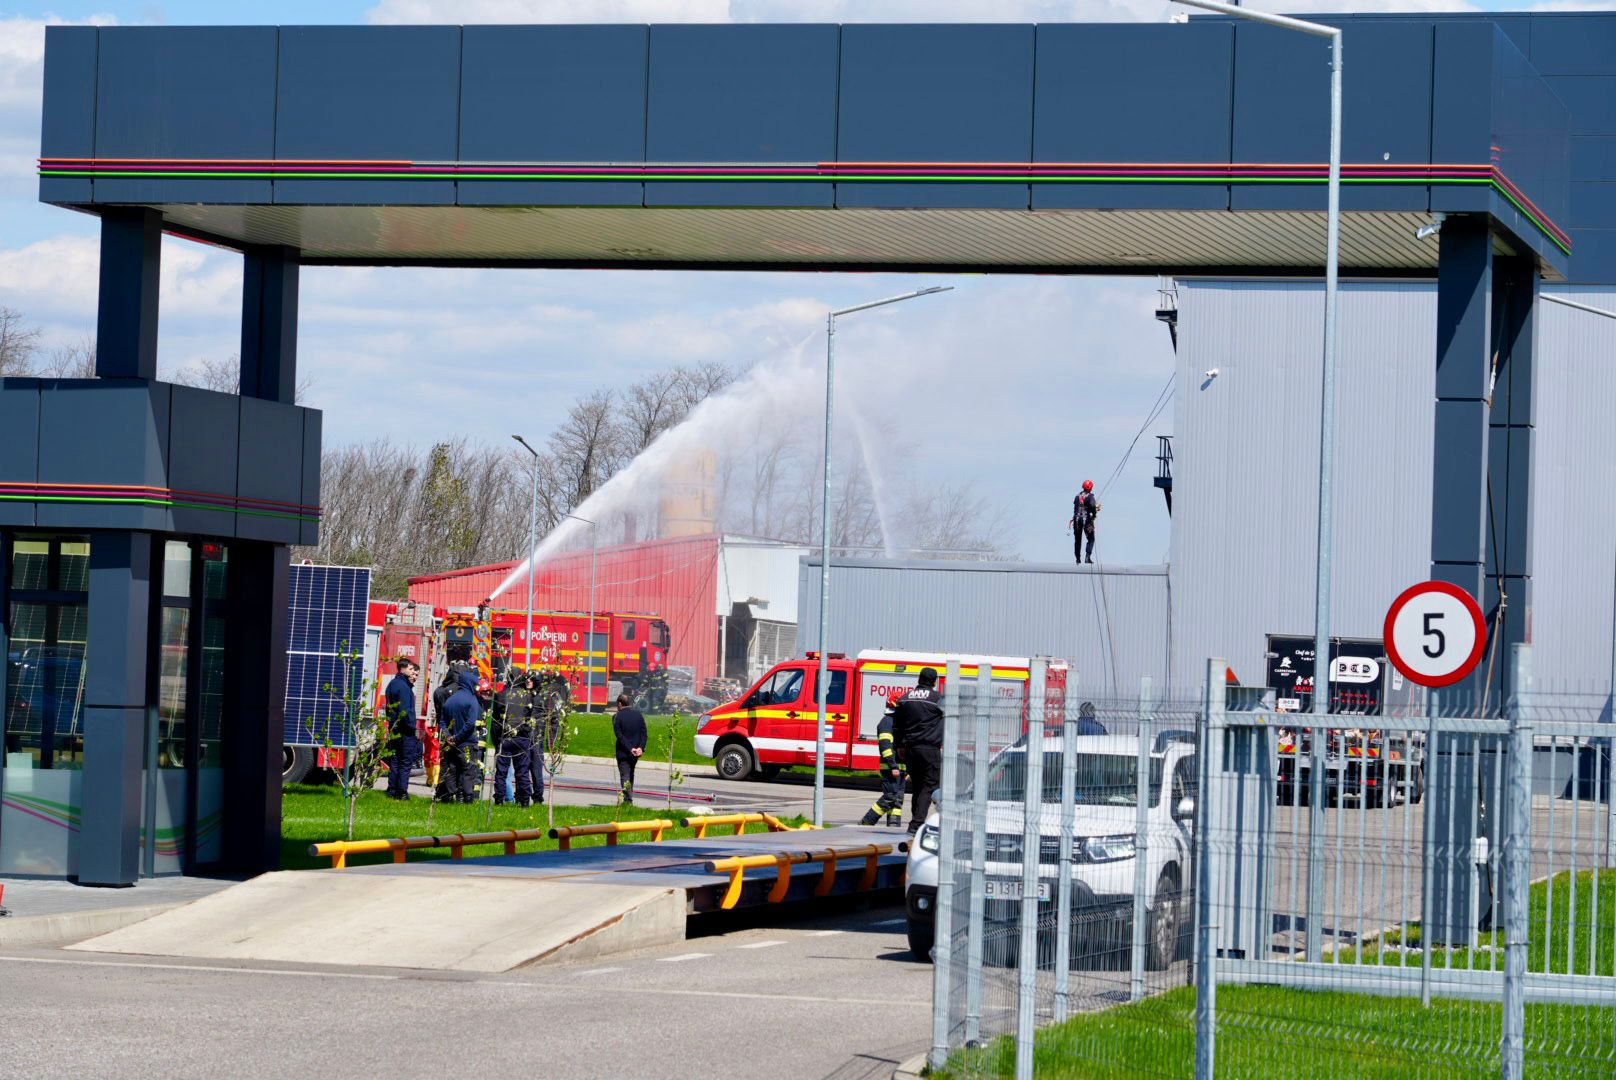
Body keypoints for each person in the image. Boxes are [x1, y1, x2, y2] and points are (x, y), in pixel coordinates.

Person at [891, 667, 946, 832]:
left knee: (917, 786)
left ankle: (915, 821)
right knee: (928, 785)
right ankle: (916, 824)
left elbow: (897, 726)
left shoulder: (904, 699)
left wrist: (899, 746)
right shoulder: (938, 699)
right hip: (930, 749)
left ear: (919, 679)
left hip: (910, 749)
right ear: (934, 682)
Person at [438, 672, 483, 804]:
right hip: (466, 742)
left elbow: (442, 722)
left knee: (451, 769)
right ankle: (465, 798)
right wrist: (457, 737)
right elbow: (470, 724)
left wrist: (448, 736)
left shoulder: (449, 700)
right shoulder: (472, 700)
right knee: (468, 770)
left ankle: (448, 797)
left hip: (450, 743)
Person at [860, 700, 906, 827]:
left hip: (900, 770)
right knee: (890, 797)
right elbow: (885, 747)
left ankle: (894, 827)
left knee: (897, 800)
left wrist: (906, 769)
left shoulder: (897, 722)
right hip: (891, 769)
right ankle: (867, 822)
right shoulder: (886, 722)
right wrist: (893, 766)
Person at [494, 667, 535, 807]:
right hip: (522, 737)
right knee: (522, 771)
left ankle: (499, 799)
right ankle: (524, 800)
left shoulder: (501, 695)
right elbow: (530, 717)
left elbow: (495, 720)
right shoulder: (527, 696)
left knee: (501, 771)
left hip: (505, 737)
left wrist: (497, 740)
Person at [384, 659, 420, 800]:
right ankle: (402, 792)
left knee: (395, 760)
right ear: (403, 669)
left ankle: (391, 790)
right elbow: (405, 711)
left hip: (394, 728)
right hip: (405, 731)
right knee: (405, 762)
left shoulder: (392, 684)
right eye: (410, 669)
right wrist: (412, 726)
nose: (412, 672)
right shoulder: (404, 687)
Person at [612, 692, 648, 806]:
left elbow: (620, 736)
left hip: (623, 752)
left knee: (625, 775)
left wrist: (630, 748)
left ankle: (628, 801)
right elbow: (644, 734)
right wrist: (640, 748)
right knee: (630, 774)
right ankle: (629, 799)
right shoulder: (639, 715)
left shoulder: (617, 717)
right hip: (636, 753)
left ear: (619, 704)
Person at [1070, 479, 1101, 564]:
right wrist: (1094, 514)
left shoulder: (1077, 496)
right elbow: (1092, 506)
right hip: (1086, 520)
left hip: (1076, 520)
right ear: (1090, 488)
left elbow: (1076, 508)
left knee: (1077, 540)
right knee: (1091, 538)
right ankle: (1087, 558)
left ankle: (1078, 559)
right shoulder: (1090, 496)